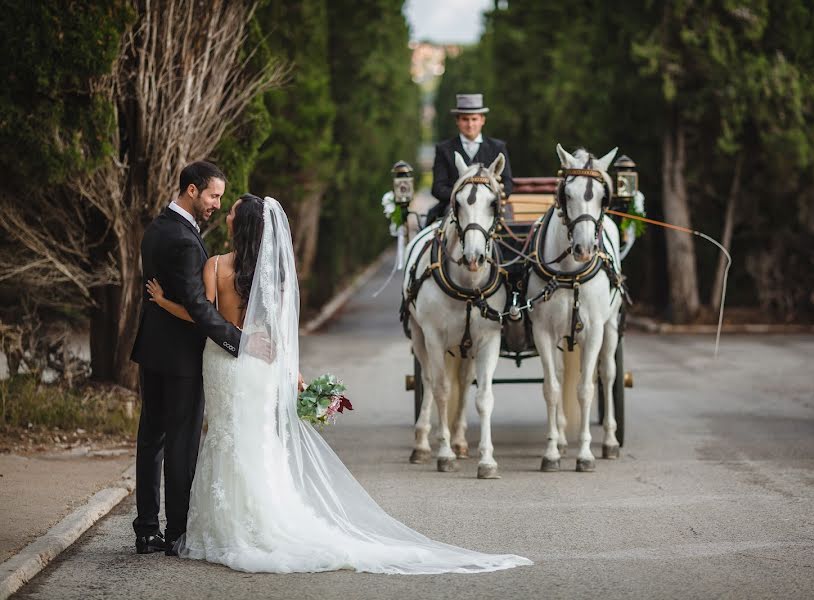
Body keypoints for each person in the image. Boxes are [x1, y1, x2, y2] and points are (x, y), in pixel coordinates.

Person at [146, 194, 532, 574]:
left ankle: (224, 524)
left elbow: (202, 316)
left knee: (225, 437)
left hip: (223, 363)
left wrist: (164, 303)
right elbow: (281, 333)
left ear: (240, 224)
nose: (226, 214)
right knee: (258, 438)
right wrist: (289, 371)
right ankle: (264, 516)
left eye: (231, 212)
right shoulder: (275, 273)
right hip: (259, 366)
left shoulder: (214, 266)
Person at [129, 161, 243, 555]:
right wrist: (238, 341)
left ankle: (146, 530)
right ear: (192, 190)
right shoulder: (184, 239)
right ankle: (177, 531)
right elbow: (197, 306)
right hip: (180, 358)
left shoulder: (157, 228)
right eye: (213, 195)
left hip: (152, 350)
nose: (215, 204)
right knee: (181, 442)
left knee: (151, 440)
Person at [427, 93, 513, 225]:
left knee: (506, 218)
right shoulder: (444, 149)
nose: (470, 124)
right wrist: (461, 196)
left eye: (474, 119)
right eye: (465, 119)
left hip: (489, 204)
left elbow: (507, 183)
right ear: (457, 121)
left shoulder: (497, 147)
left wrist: (489, 198)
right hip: (456, 205)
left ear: (482, 120)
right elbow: (438, 188)